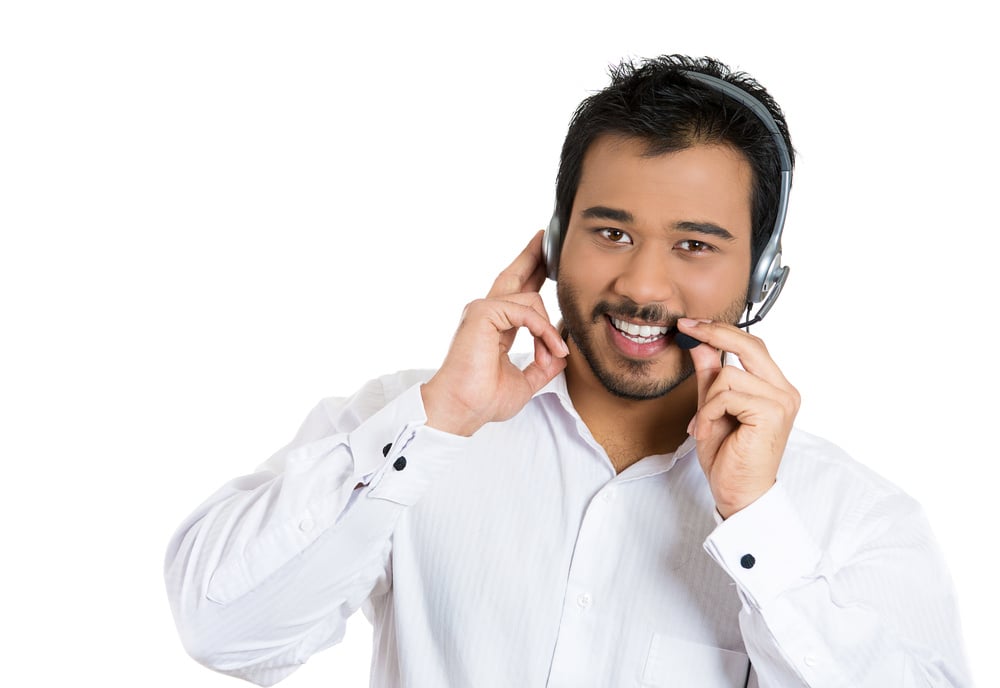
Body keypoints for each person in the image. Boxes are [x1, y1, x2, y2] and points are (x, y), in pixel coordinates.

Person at [165, 55, 970, 687]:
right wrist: (439, 419)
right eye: (612, 232)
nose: (644, 287)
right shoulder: (408, 425)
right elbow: (223, 632)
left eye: (695, 245)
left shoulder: (851, 519)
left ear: (760, 279)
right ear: (554, 241)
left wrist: (758, 523)